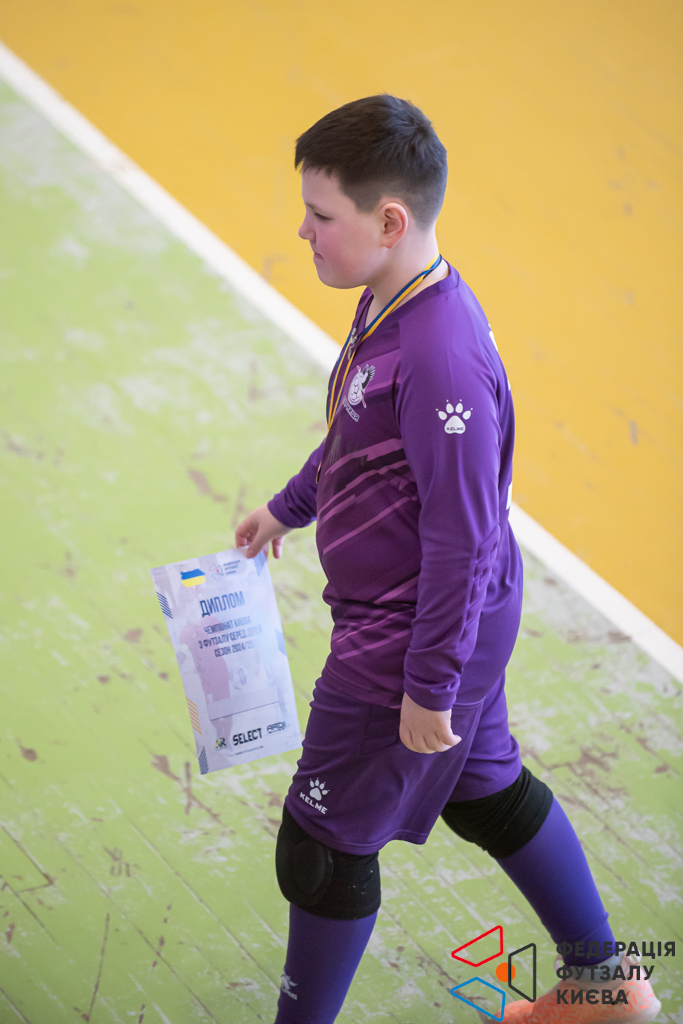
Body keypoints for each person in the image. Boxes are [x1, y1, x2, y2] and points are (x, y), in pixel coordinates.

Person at [235, 95, 660, 1024]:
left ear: (389, 221)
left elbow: (460, 539)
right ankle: (607, 988)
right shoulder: (391, 298)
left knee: (320, 842)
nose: (301, 231)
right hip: (439, 624)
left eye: (319, 215)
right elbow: (359, 437)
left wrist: (428, 685)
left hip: (410, 636)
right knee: (484, 785)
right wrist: (287, 507)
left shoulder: (440, 357)